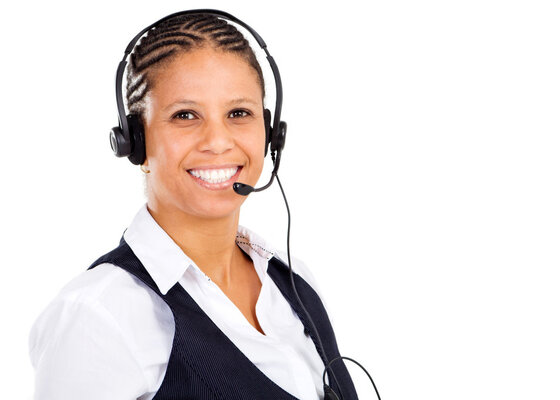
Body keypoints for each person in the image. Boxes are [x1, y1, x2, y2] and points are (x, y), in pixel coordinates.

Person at [28, 10, 358, 400]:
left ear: (271, 133)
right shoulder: (99, 317)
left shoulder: (292, 282)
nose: (217, 141)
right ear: (135, 142)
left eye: (239, 113)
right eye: (185, 115)